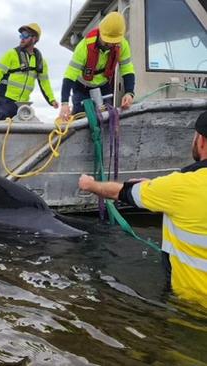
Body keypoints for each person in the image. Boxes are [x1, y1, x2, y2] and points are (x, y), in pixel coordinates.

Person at [78, 111, 207, 306]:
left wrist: (90, 185)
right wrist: (157, 189)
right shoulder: (177, 188)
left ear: (202, 141)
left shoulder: (180, 186)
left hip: (193, 307)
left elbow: (121, 192)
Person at [59, 12, 136, 121]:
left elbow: (127, 69)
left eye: (114, 42)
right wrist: (65, 103)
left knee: (106, 119)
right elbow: (69, 76)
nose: (110, 45)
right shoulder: (83, 47)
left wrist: (129, 93)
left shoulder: (123, 45)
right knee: (81, 120)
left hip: (103, 87)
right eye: (108, 41)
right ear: (101, 33)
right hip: (82, 88)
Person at [0, 23, 58, 121]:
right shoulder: (11, 54)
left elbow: (44, 82)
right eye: (21, 35)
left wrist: (52, 99)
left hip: (23, 103)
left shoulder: (41, 61)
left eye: (25, 35)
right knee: (5, 129)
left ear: (34, 38)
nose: (22, 38)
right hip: (5, 100)